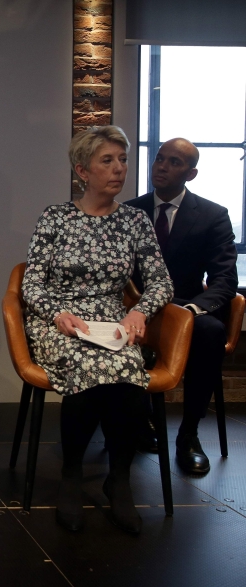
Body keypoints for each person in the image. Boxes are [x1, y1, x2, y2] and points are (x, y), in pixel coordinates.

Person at [22, 125, 173, 534]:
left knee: (127, 373)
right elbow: (31, 283)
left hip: (112, 322)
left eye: (122, 160)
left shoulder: (135, 221)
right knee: (88, 369)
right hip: (61, 321)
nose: (119, 169)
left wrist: (140, 312)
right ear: (82, 170)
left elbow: (161, 281)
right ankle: (72, 476)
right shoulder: (55, 217)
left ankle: (118, 480)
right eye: (107, 161)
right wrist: (57, 314)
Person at [126, 138, 238, 475]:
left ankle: (188, 434)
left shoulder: (213, 215)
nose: (161, 166)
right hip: (138, 308)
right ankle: (141, 421)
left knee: (211, 331)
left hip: (186, 308)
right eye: (159, 158)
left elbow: (224, 281)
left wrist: (192, 310)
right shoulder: (129, 212)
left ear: (191, 173)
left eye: (174, 162)